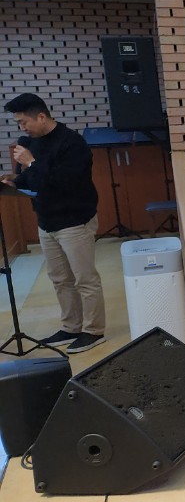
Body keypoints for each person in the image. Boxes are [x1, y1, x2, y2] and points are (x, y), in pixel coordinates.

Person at [2, 93, 106, 354]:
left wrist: (31, 162)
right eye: (18, 123)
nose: (22, 128)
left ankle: (94, 331)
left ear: (41, 116)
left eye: (24, 122)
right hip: (46, 220)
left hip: (74, 220)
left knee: (85, 279)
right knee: (60, 279)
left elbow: (64, 182)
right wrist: (15, 180)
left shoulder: (72, 143)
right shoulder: (31, 143)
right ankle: (71, 327)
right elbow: (34, 179)